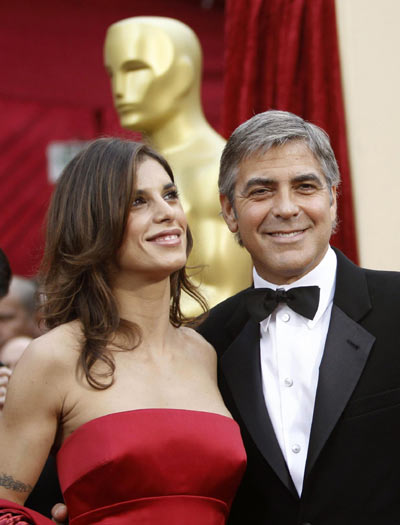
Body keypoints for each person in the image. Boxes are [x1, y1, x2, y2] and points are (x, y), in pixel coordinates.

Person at [0, 138, 246, 525]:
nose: (167, 213)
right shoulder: (54, 357)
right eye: (138, 201)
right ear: (94, 223)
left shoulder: (206, 353)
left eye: (170, 195)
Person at [197, 110, 400, 524]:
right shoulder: (207, 343)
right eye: (261, 191)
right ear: (229, 211)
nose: (286, 208)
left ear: (332, 197)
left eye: (304, 186)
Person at [104, 17, 251, 315]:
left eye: (136, 70)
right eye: (112, 74)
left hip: (201, 350)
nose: (120, 89)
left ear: (182, 75)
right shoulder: (111, 174)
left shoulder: (217, 171)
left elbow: (223, 293)